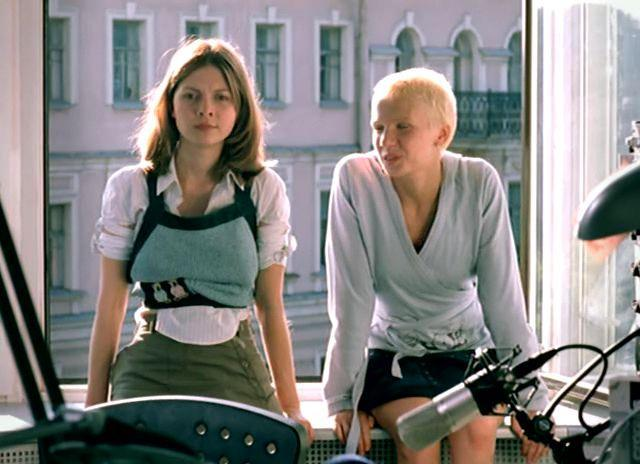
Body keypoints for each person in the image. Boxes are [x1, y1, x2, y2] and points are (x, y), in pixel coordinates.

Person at [86, 37, 313, 442]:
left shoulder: (262, 190)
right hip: (149, 367)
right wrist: (92, 409)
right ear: (171, 107)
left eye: (221, 97)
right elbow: (111, 307)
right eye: (191, 96)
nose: (205, 109)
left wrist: (292, 407)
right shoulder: (131, 189)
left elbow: (270, 306)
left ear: (239, 109)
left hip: (234, 364)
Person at [322, 67, 548, 464]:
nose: (385, 141)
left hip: (468, 353)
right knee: (418, 433)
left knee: (477, 432)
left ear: (441, 135)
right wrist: (344, 398)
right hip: (393, 354)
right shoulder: (354, 179)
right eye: (379, 127)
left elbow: (503, 300)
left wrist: (531, 396)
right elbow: (351, 300)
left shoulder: (479, 182)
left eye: (402, 128)